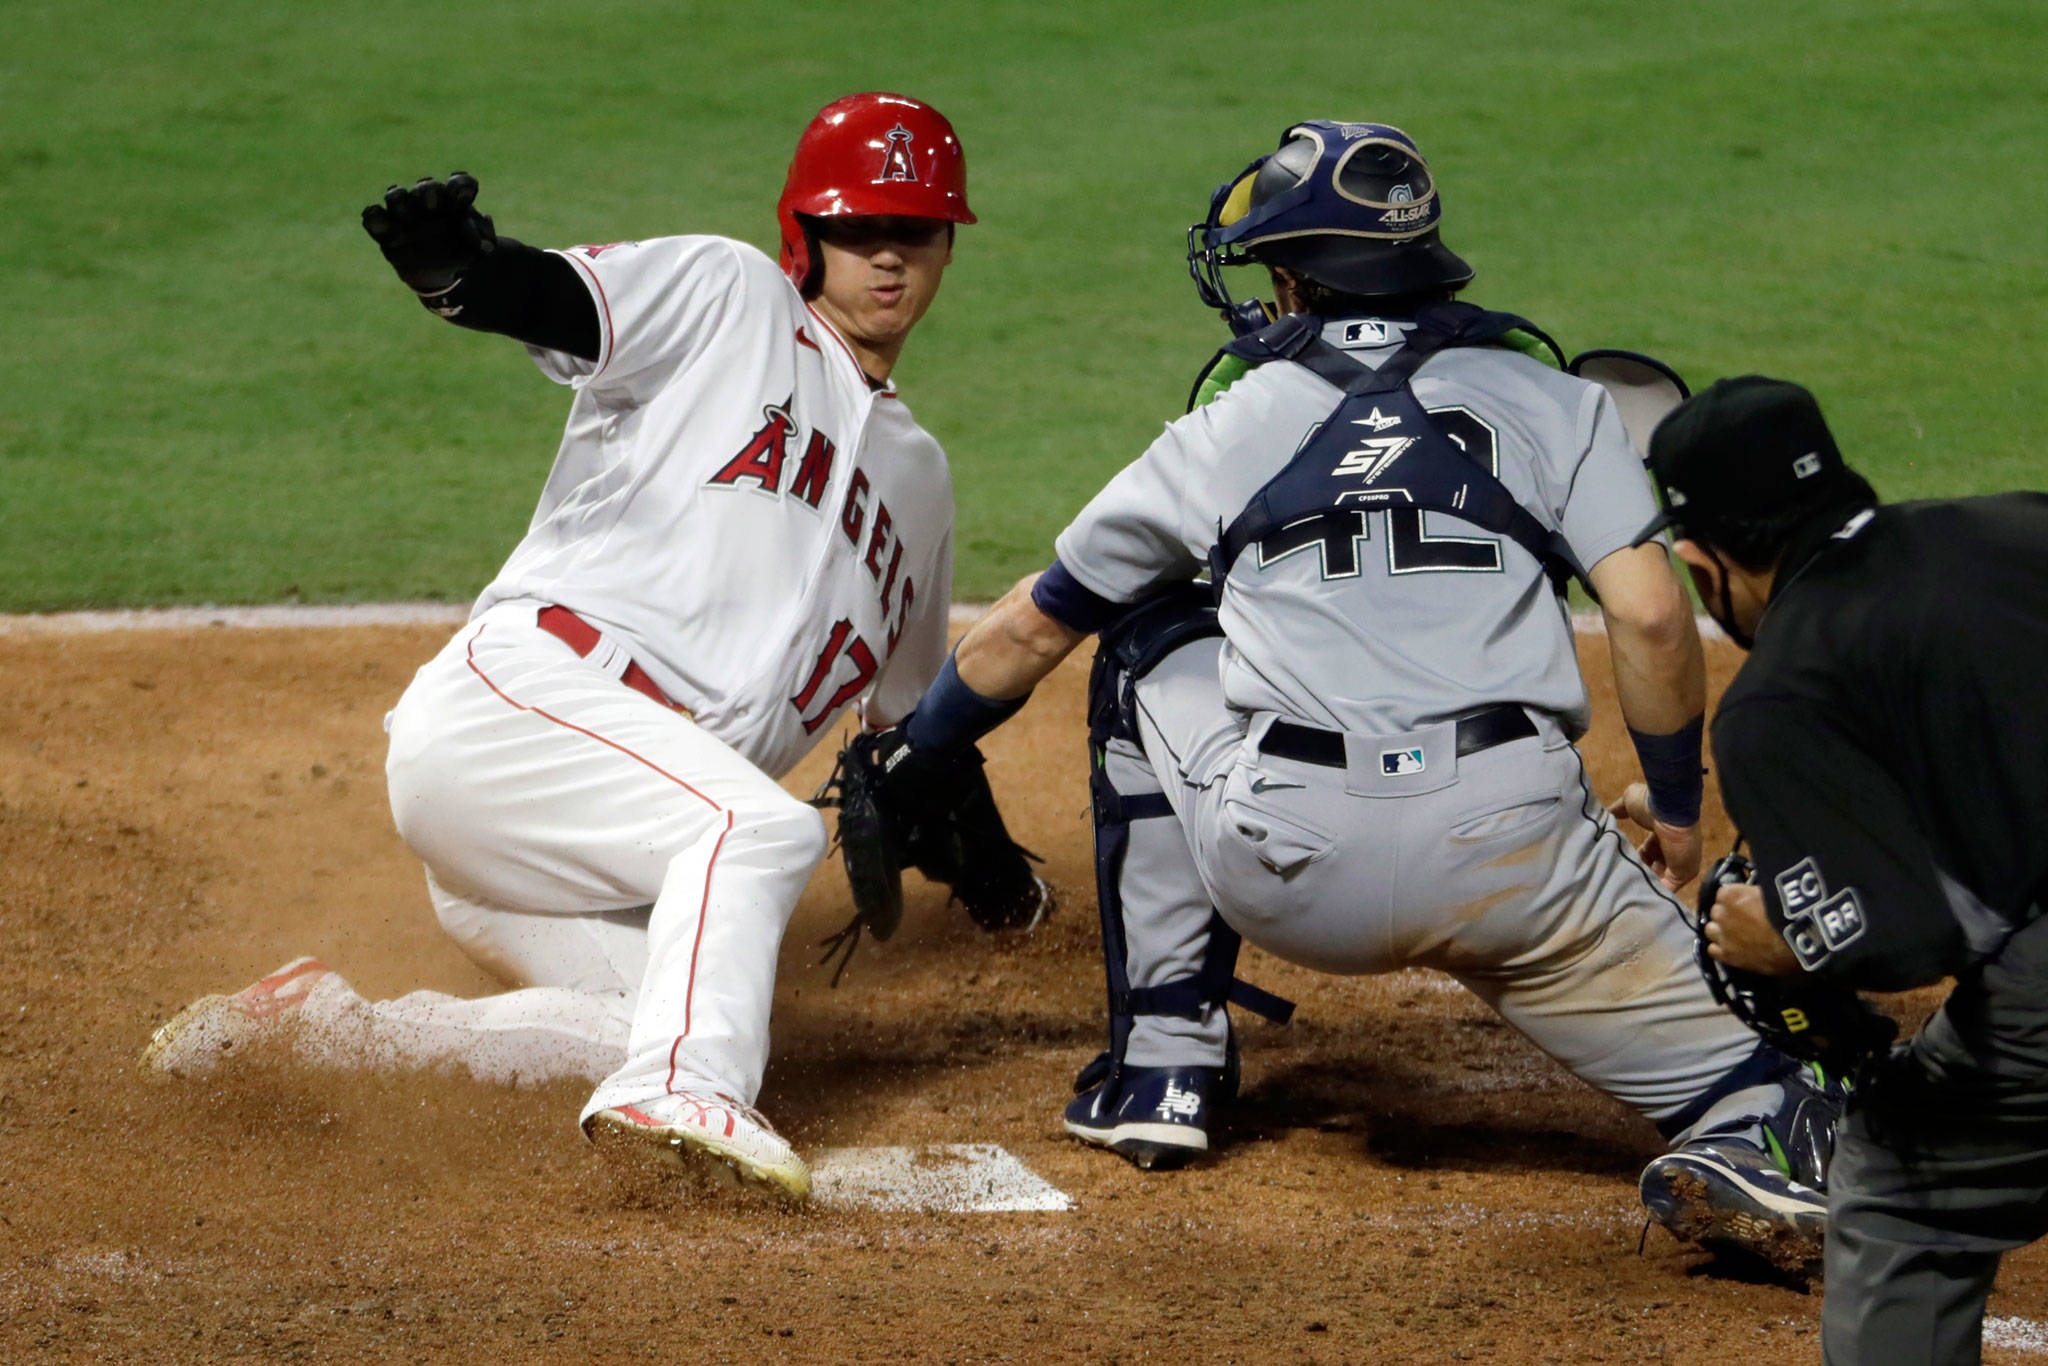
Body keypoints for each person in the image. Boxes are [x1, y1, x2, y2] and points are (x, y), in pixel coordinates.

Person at [869, 120, 1842, 1264]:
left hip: (1291, 864)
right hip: (1512, 863)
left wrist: (919, 753)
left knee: (1136, 639)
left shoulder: (1221, 427)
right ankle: (1755, 1145)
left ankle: (1161, 1068)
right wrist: (1675, 808)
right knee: (1779, 1086)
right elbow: (1645, 613)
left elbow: (1034, 624)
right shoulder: (1551, 403)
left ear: (1291, 275)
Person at [142, 92, 1045, 1203]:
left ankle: (327, 1030)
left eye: (916, 233)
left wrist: (989, 860)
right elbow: (561, 302)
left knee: (653, 1009)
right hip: (520, 710)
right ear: (804, 233)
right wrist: (459, 274)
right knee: (757, 829)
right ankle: (679, 1090)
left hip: (605, 846)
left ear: (948, 244)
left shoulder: (920, 481)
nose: (890, 260)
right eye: (862, 231)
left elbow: (906, 732)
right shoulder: (731, 299)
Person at [1638, 376, 2048, 1361]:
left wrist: (1777, 939)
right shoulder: (2018, 525)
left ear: (1698, 560)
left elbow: (1900, 937)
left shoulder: (1777, 697)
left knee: (1898, 1188)